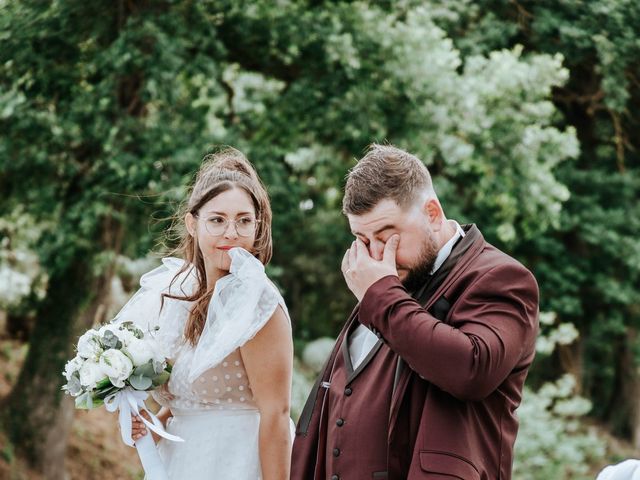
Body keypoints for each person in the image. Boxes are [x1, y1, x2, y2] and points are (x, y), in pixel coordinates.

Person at [291, 144, 539, 479]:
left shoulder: (501, 278)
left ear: (432, 214)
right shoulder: (388, 283)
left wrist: (380, 294)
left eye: (387, 235)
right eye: (361, 240)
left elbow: (472, 369)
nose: (378, 254)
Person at [121, 148, 293, 479]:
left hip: (237, 463)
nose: (231, 233)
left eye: (244, 221)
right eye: (217, 220)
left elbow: (276, 414)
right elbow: (188, 405)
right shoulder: (180, 295)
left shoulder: (258, 304)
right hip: (181, 464)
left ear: (257, 227)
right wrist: (149, 425)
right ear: (193, 223)